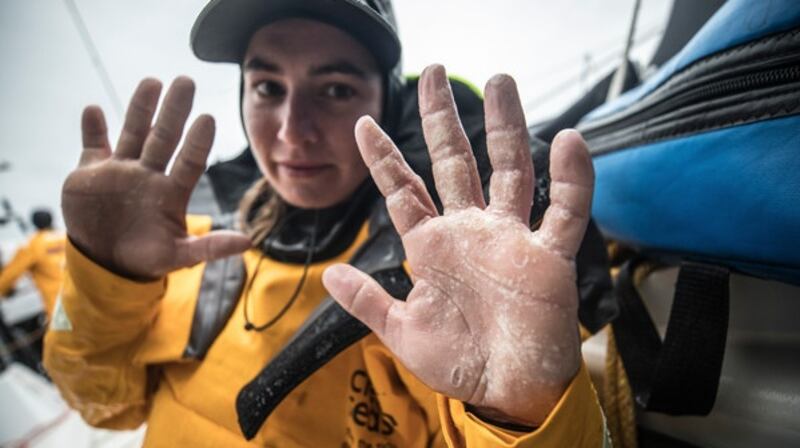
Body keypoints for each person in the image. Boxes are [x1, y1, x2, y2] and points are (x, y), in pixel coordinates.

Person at [45, 0, 609, 446]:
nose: (293, 130)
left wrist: (522, 412)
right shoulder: (182, 240)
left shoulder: (451, 276)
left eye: (335, 90)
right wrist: (103, 271)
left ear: (388, 104)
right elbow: (106, 405)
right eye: (268, 87)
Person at [0, 209, 65, 318]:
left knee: (62, 334)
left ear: (34, 223)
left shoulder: (33, 245)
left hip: (60, 307)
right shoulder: (67, 238)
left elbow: (11, 274)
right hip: (83, 299)